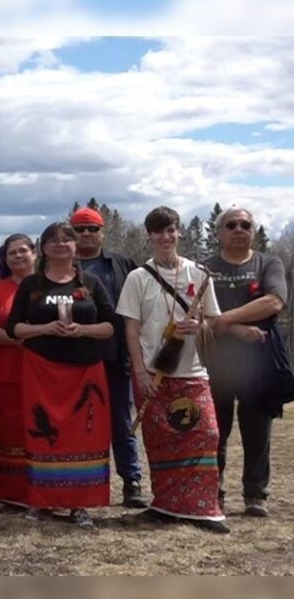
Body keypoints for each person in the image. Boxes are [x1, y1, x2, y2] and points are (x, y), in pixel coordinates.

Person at [117, 206, 228, 534]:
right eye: (158, 231)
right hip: (154, 373)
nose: (165, 237)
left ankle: (204, 507)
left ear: (179, 233)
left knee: (206, 434)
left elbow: (214, 322)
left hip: (192, 371)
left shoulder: (198, 274)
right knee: (162, 440)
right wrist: (139, 372)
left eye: (171, 230)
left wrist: (199, 326)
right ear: (149, 235)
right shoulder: (138, 278)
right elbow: (131, 329)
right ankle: (165, 505)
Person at [6, 223, 115, 529]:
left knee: (83, 436)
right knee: (44, 433)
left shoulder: (90, 283)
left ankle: (80, 504)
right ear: (43, 249)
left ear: (75, 246)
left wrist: (83, 330)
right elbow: (13, 328)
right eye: (53, 240)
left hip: (86, 370)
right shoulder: (31, 285)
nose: (61, 244)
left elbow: (110, 325)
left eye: (67, 239)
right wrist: (44, 328)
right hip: (42, 369)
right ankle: (42, 501)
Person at [205, 207, 287, 518]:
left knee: (257, 431)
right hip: (215, 360)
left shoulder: (268, 263)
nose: (239, 229)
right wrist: (238, 329)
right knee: (215, 431)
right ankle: (214, 491)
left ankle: (256, 495)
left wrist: (225, 320)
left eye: (246, 224)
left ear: (252, 230)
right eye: (231, 224)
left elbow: (274, 301)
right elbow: (198, 311)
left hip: (259, 361)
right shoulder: (206, 267)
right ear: (219, 232)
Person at [70, 207, 148, 508]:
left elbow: (138, 307)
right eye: (79, 229)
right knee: (76, 421)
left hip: (115, 356)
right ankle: (77, 482)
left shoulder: (121, 264)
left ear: (103, 232)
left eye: (92, 229)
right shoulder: (59, 265)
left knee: (120, 420)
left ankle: (132, 481)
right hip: (74, 358)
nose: (86, 234)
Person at [0, 233, 35, 510]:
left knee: (37, 430)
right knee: (4, 431)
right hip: (4, 371)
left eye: (23, 250)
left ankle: (38, 492)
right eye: (11, 253)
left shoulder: (47, 288)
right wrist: (16, 338)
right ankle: (3, 493)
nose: (18, 256)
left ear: (35, 254)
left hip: (42, 372)